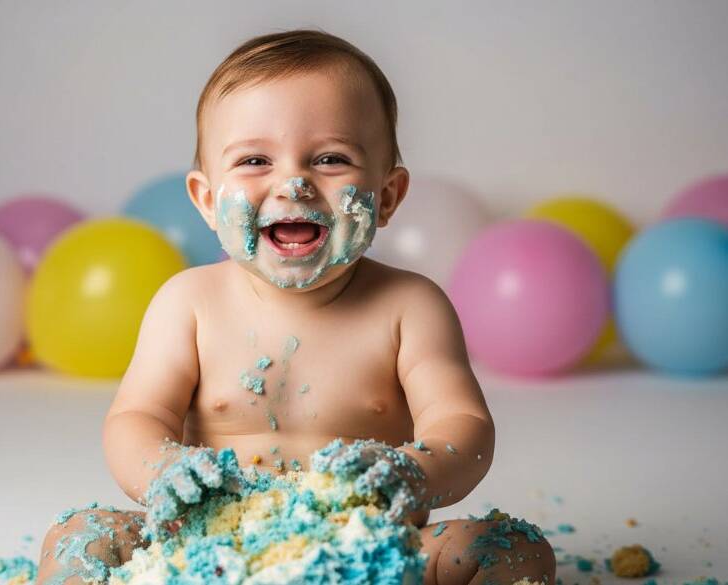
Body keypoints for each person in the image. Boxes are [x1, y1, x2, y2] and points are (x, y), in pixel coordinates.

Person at [35, 28, 555, 585]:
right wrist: (164, 471)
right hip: (204, 547)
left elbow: (465, 425)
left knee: (513, 548)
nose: (294, 183)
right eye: (255, 160)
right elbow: (136, 419)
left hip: (373, 549)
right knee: (83, 534)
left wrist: (411, 472)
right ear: (207, 200)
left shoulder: (410, 308)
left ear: (386, 197)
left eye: (331, 159)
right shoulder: (188, 304)